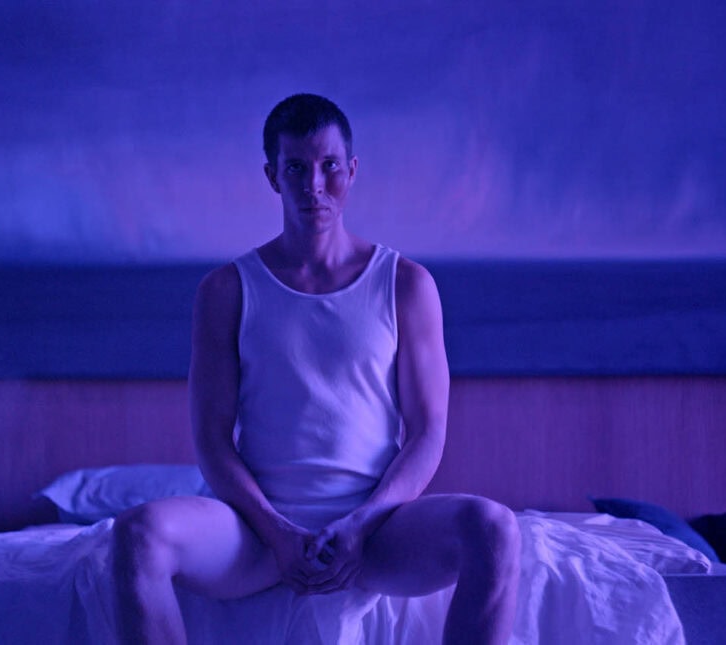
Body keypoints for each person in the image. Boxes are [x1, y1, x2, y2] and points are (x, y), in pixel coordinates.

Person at [112, 93, 520, 644]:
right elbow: (212, 439)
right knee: (138, 535)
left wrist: (362, 523)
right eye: (296, 169)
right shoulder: (226, 291)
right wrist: (277, 532)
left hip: (378, 532)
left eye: (329, 167)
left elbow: (428, 432)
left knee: (494, 530)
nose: (314, 186)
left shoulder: (406, 285)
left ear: (351, 171)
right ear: (272, 176)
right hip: (256, 534)